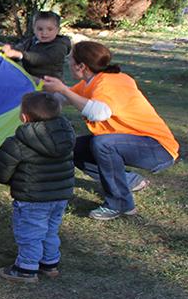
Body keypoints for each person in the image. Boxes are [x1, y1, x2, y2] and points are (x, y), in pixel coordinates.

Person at [42, 41, 179, 221]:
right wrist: (35, 86)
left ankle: (120, 204)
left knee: (103, 144)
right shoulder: (91, 82)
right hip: (132, 143)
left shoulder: (111, 82)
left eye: (71, 59)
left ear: (81, 66)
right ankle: (130, 181)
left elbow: (99, 113)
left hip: (157, 149)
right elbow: (60, 98)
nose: (68, 62)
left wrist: (64, 92)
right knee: (76, 148)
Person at [0, 92, 76, 283]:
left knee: (30, 234)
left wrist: (9, 179)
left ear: (24, 117)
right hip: (60, 196)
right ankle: (49, 263)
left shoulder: (17, 143)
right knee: (50, 230)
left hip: (32, 199)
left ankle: (26, 269)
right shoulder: (66, 136)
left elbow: (1, 172)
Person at [1, 11, 71, 79]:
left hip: (50, 85)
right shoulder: (32, 41)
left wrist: (20, 55)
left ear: (57, 30)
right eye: (40, 29)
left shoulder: (60, 46)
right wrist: (8, 48)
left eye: (50, 29)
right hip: (31, 80)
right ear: (34, 29)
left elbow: (42, 59)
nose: (44, 33)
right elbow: (20, 47)